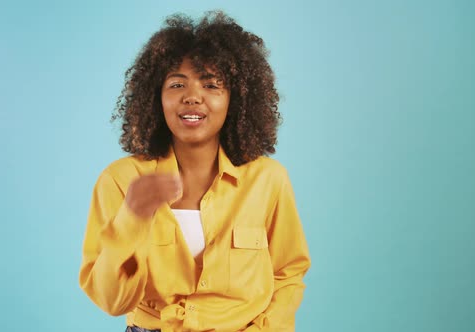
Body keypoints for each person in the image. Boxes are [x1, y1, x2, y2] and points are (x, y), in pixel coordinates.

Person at [79, 11, 311, 332]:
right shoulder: (121, 180)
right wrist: (131, 218)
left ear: (236, 98)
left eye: (212, 84)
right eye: (177, 84)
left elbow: (287, 273)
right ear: (155, 97)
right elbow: (112, 301)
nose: (192, 97)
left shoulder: (268, 179)